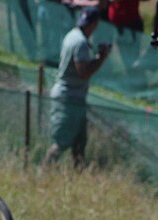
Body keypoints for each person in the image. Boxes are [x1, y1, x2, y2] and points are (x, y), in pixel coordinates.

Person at [43, 7, 110, 167]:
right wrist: (101, 58)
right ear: (95, 24)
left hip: (73, 97)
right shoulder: (80, 42)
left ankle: (78, 173)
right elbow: (83, 72)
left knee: (79, 142)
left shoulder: (72, 35)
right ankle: (43, 171)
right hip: (69, 97)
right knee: (61, 142)